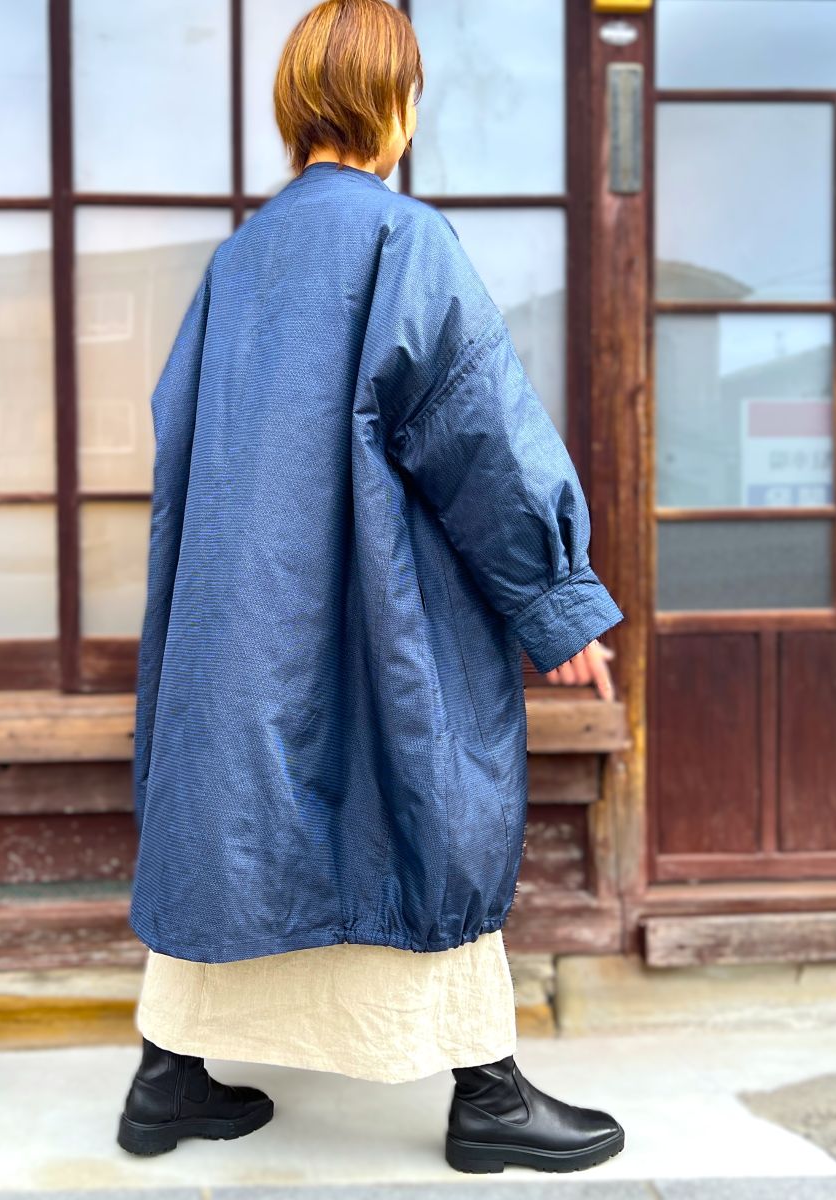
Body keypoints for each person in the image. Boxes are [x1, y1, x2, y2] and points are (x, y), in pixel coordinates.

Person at [118, 0, 626, 1176]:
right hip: (375, 617)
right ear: (392, 105)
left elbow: (181, 441)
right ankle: (487, 1095)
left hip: (236, 624)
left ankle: (167, 1077)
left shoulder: (238, 261)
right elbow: (479, 434)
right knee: (420, 809)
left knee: (229, 818)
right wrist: (556, 603)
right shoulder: (406, 242)